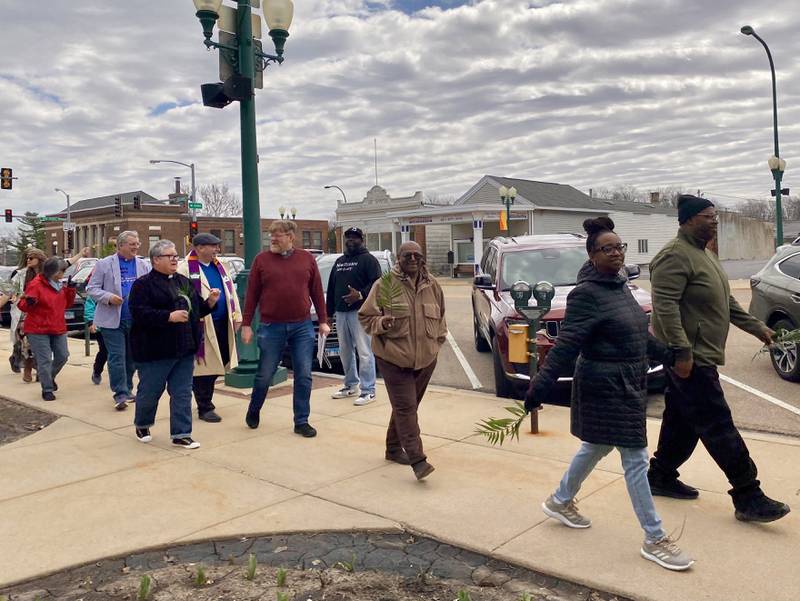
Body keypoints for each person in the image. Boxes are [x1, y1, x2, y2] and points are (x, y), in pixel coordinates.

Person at [525, 217, 693, 571]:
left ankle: (559, 500)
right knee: (634, 457)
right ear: (591, 254)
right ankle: (654, 537)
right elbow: (566, 345)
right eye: (608, 248)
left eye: (620, 247)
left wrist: (669, 355)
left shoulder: (618, 287)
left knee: (596, 446)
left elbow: (638, 334)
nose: (616, 253)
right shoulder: (586, 294)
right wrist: (539, 385)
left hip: (629, 382)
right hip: (605, 386)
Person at [647, 195, 790, 523]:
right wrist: (682, 353)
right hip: (691, 357)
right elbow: (665, 307)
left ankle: (661, 475)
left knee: (682, 420)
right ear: (687, 220)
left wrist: (757, 327)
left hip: (701, 354)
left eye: (715, 217)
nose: (715, 222)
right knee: (717, 423)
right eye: (707, 217)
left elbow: (724, 300)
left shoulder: (703, 254)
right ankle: (747, 494)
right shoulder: (674, 256)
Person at [358, 241, 447, 480]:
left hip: (426, 359)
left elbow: (441, 317)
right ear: (399, 258)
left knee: (406, 406)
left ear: (423, 258)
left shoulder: (433, 285)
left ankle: (393, 448)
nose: (413, 259)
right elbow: (366, 316)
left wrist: (437, 344)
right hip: (393, 357)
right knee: (407, 407)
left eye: (417, 255)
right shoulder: (385, 285)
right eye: (407, 255)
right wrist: (381, 323)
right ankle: (418, 459)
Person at [242, 220, 330, 437]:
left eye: (278, 235)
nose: (273, 239)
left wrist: (323, 320)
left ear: (291, 237)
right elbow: (251, 295)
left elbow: (317, 291)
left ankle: (301, 421)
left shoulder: (307, 259)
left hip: (302, 326)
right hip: (271, 326)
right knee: (265, 374)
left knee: (304, 374)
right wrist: (246, 325)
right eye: (271, 235)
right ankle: (254, 409)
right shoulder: (261, 260)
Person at [129, 240, 220, 448]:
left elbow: (195, 310)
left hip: (185, 347)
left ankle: (181, 433)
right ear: (155, 260)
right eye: (169, 256)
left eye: (175, 255)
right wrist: (168, 317)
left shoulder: (183, 282)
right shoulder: (143, 285)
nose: (174, 259)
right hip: (155, 349)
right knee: (151, 391)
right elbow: (139, 313)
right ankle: (142, 423)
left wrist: (210, 303)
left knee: (182, 392)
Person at [178, 233, 242, 423]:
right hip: (202, 325)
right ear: (199, 248)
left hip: (223, 322)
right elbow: (183, 299)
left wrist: (237, 315)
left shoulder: (220, 266)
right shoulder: (185, 269)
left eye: (217, 246)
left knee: (219, 362)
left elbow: (231, 292)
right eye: (212, 246)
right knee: (203, 366)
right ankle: (205, 406)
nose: (216, 250)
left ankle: (205, 399)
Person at [87, 231, 150, 410]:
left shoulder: (143, 264)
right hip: (111, 320)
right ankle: (120, 393)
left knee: (132, 359)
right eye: (132, 244)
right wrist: (108, 297)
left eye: (137, 244)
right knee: (117, 357)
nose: (136, 247)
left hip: (135, 320)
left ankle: (128, 389)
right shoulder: (104, 264)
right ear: (121, 246)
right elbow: (91, 288)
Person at [326, 227, 382, 405]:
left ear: (362, 240)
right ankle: (350, 385)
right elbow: (332, 287)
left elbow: (377, 284)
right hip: (341, 313)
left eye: (355, 238)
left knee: (365, 352)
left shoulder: (369, 260)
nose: (351, 240)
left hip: (361, 313)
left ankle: (368, 390)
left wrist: (360, 294)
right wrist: (328, 313)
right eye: (348, 237)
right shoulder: (340, 261)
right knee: (345, 352)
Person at [17, 257, 77, 401]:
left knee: (63, 355)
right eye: (61, 271)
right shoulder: (36, 284)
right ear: (53, 272)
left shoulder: (60, 285)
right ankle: (47, 389)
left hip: (57, 326)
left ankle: (48, 377)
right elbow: (22, 305)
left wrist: (71, 290)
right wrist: (30, 302)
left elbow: (67, 304)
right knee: (44, 360)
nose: (63, 273)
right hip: (38, 328)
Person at [9, 248, 47, 381]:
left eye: (31, 258)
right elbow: (11, 292)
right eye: (27, 258)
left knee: (41, 345)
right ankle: (28, 368)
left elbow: (66, 263)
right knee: (27, 343)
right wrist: (18, 297)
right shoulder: (22, 275)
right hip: (24, 314)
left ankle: (40, 369)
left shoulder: (47, 275)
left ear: (40, 259)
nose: (28, 260)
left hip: (43, 314)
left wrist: (80, 255)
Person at [84, 294, 108, 385]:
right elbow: (89, 305)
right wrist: (91, 322)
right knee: (104, 351)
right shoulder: (97, 288)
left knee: (120, 353)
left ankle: (120, 377)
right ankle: (97, 371)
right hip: (100, 326)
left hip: (117, 325)